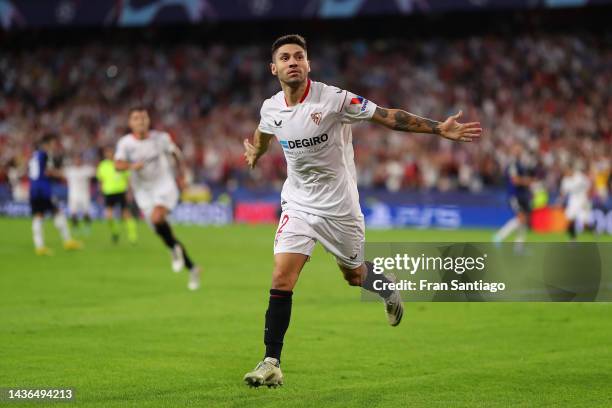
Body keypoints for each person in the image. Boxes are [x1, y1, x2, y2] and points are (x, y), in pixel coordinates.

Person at [242, 34, 482, 387]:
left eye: (299, 56)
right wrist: (257, 152)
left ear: (308, 64)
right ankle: (271, 361)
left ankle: (385, 286)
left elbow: (388, 117)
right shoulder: (271, 107)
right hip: (297, 204)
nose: (293, 61)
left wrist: (437, 128)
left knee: (353, 276)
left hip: (340, 209)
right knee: (281, 277)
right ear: (273, 68)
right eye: (285, 57)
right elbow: (264, 132)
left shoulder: (336, 99)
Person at [114, 107, 201, 291]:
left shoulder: (160, 138)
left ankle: (175, 250)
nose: (141, 121)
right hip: (143, 192)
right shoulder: (125, 143)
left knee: (157, 218)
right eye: (136, 118)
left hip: (164, 185)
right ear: (130, 123)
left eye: (143, 117)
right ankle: (191, 266)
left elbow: (176, 154)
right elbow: (117, 165)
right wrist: (131, 165)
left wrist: (182, 175)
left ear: (148, 120)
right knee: (163, 233)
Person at [28, 133, 82, 255]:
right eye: (53, 143)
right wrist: (61, 174)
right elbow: (48, 172)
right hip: (43, 189)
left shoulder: (34, 155)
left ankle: (40, 246)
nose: (54, 146)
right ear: (47, 143)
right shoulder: (45, 154)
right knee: (56, 213)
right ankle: (67, 241)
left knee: (40, 215)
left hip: (33, 189)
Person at [493, 144, 534, 248]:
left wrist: (529, 189)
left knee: (524, 220)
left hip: (523, 195)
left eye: (520, 150)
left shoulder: (520, 164)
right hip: (514, 196)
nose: (519, 152)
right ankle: (499, 237)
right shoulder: (512, 165)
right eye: (516, 150)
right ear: (513, 152)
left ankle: (519, 246)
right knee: (521, 218)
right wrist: (528, 181)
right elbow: (515, 180)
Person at [96, 146, 138, 244]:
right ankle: (115, 233)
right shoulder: (103, 165)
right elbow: (101, 180)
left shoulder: (120, 163)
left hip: (121, 192)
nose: (109, 154)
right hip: (108, 193)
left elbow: (128, 178)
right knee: (109, 217)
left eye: (110, 152)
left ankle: (133, 236)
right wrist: (101, 192)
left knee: (126, 214)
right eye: (107, 152)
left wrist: (129, 191)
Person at [64, 153, 95, 234]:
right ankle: (75, 227)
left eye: (79, 159)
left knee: (86, 212)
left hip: (84, 194)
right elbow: (59, 174)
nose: (77, 161)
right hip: (73, 195)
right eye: (76, 159)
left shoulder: (86, 170)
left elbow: (95, 172)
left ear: (81, 160)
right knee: (73, 212)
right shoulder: (70, 171)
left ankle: (87, 227)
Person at [560, 163, 592, 241]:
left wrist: (587, 198)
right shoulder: (565, 180)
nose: (566, 173)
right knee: (570, 220)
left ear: (571, 170)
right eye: (564, 171)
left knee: (585, 223)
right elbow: (563, 192)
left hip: (583, 199)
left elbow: (589, 185)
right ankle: (573, 239)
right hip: (573, 200)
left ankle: (594, 231)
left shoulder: (580, 176)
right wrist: (560, 201)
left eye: (567, 171)